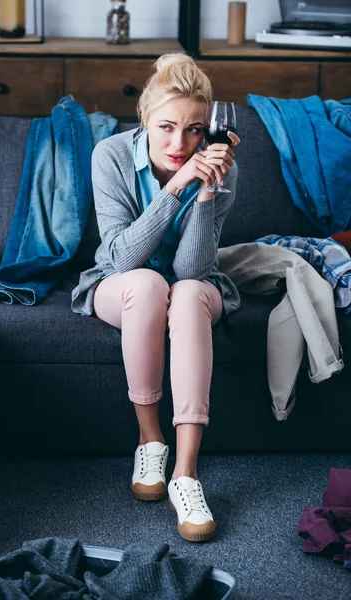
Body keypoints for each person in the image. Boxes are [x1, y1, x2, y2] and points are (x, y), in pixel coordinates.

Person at [71, 53, 241, 542]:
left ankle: (185, 475)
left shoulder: (221, 165)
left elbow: (194, 269)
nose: (180, 143)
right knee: (148, 284)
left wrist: (206, 188)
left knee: (184, 293)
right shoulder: (111, 155)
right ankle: (151, 441)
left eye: (194, 129)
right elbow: (122, 258)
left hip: (195, 285)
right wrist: (176, 187)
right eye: (166, 126)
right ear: (144, 118)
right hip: (122, 284)